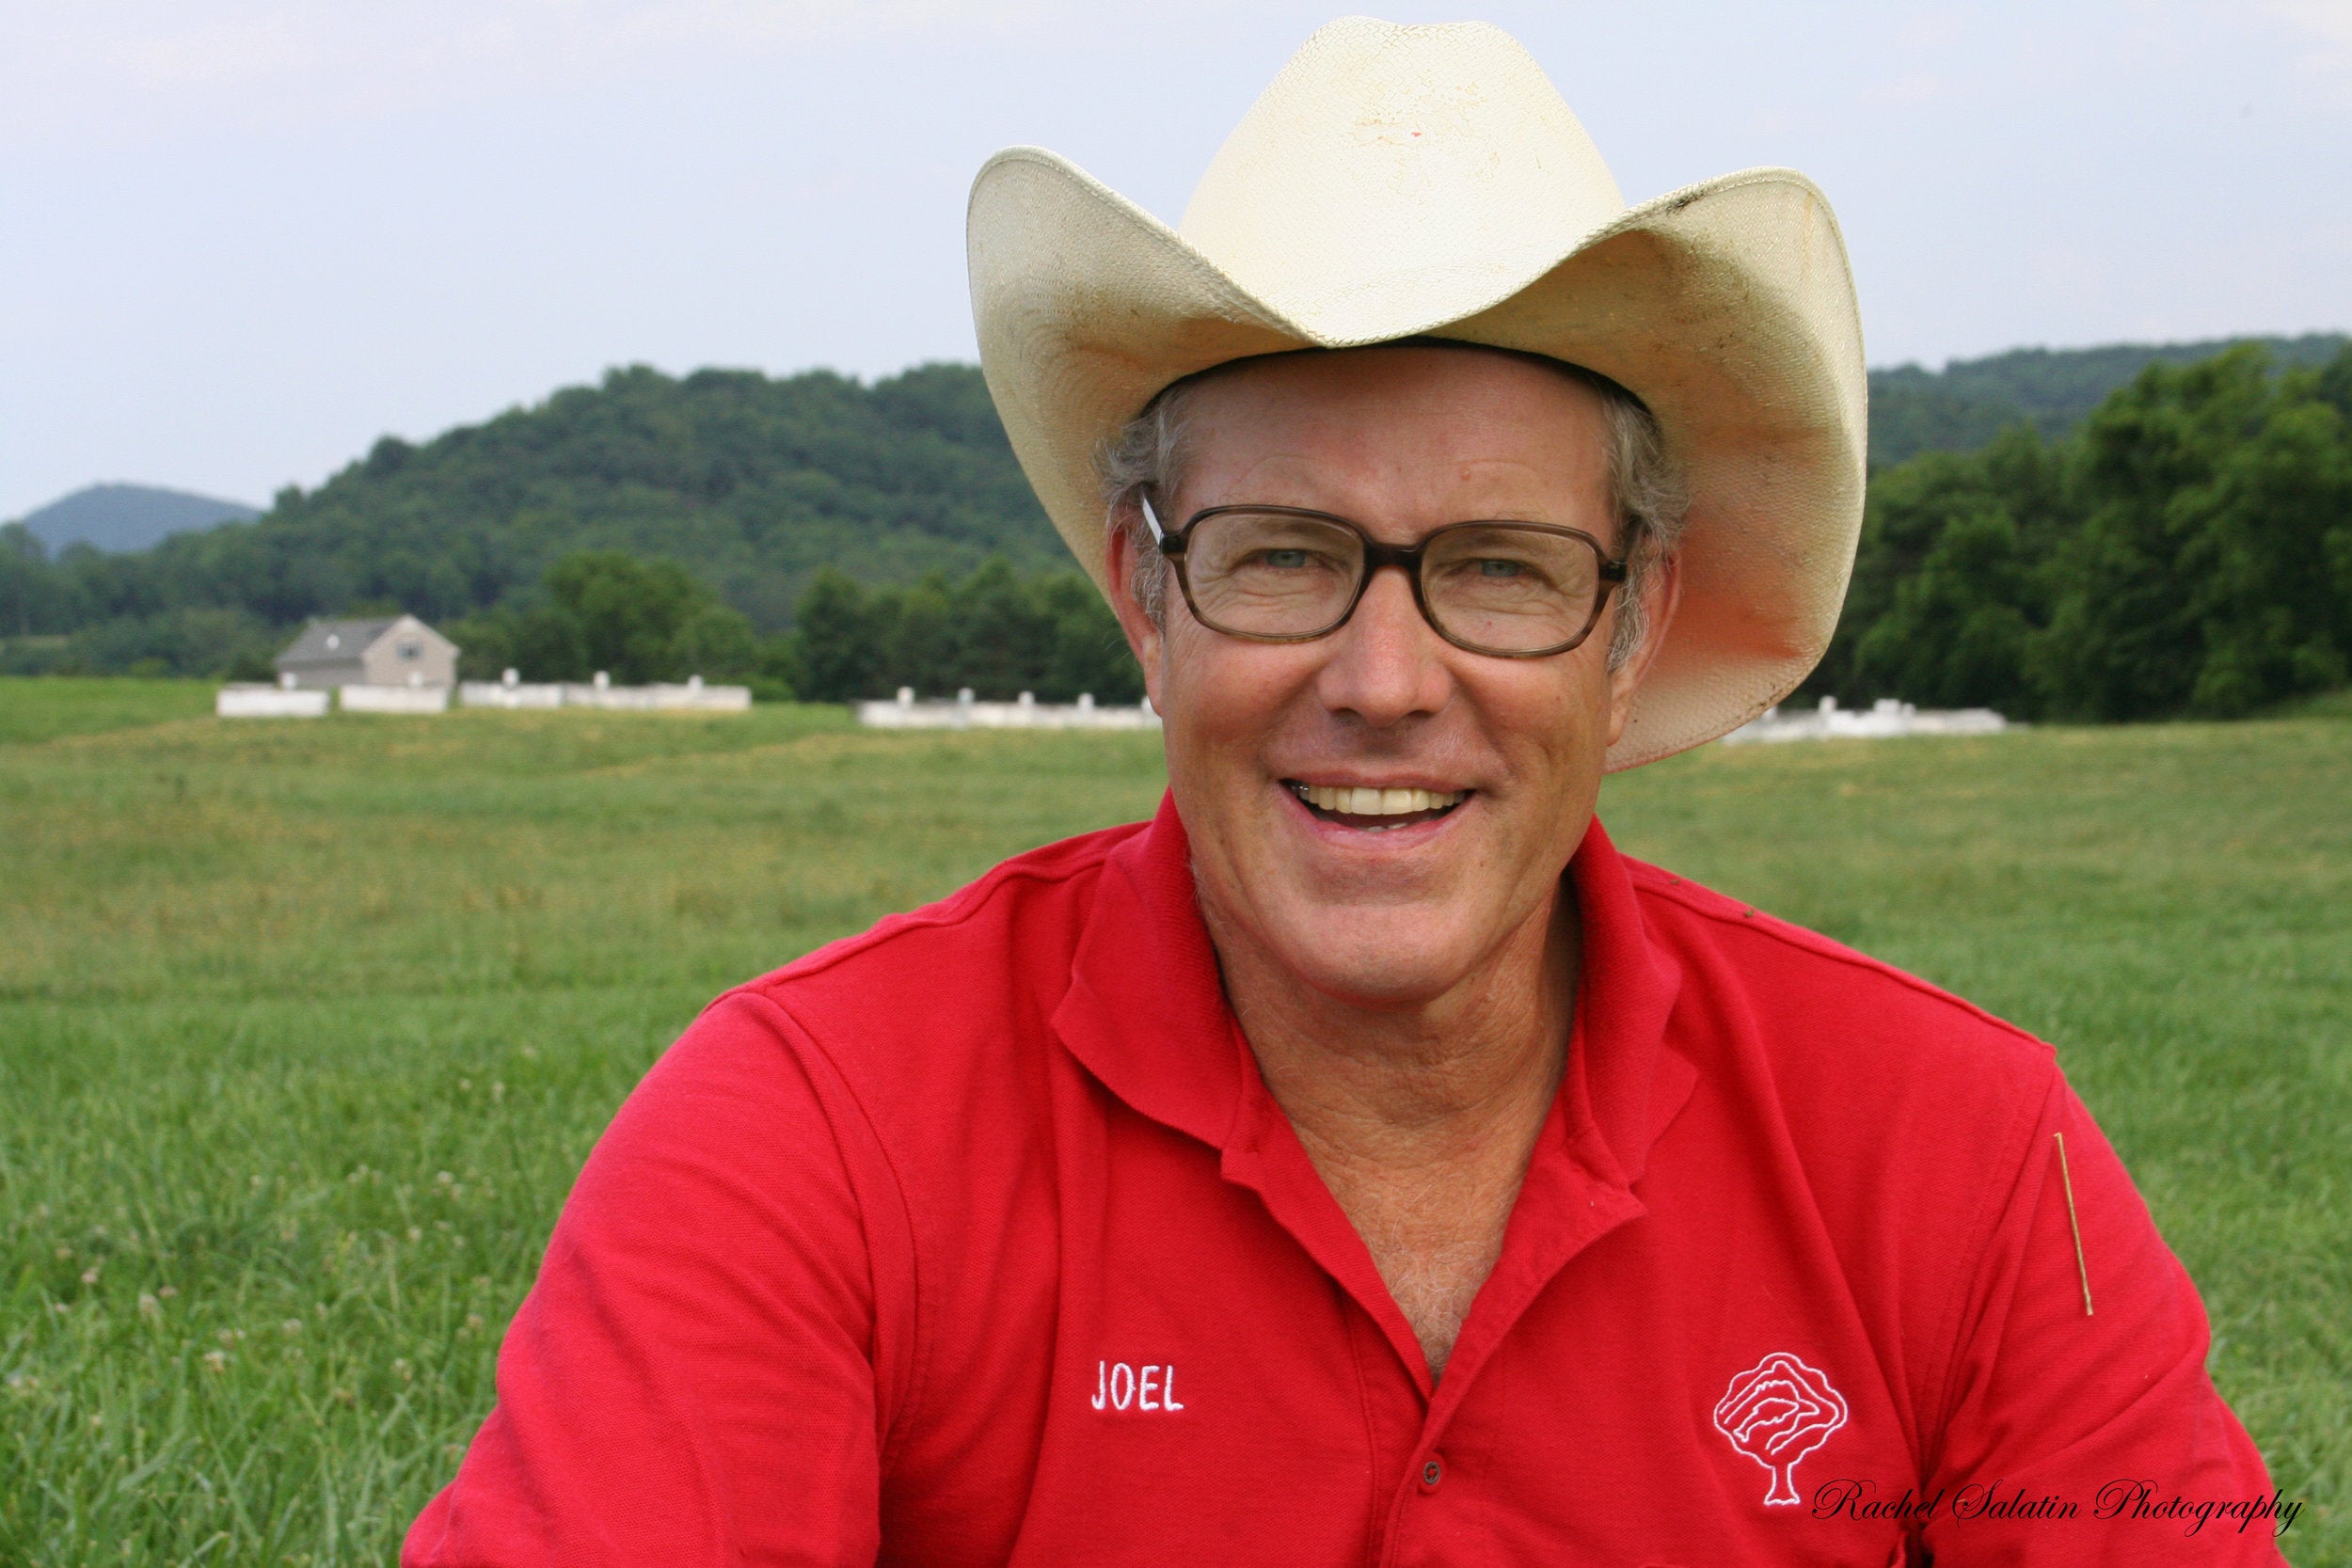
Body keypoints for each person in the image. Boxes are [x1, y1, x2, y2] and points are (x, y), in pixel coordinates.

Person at [405, 19, 2290, 1565]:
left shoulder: (1959, 1158)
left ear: (1632, 624)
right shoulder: (811, 1135)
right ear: (1145, 595)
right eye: (1284, 556)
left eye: (1499, 568)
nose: (1384, 684)